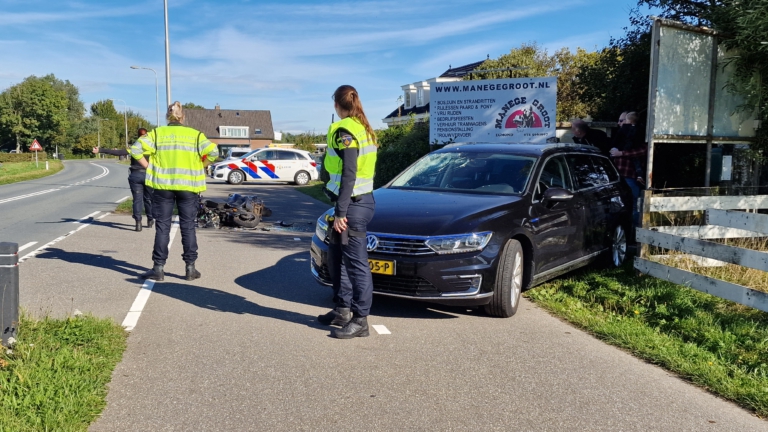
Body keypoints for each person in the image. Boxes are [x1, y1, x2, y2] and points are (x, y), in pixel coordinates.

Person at [131, 102, 219, 282]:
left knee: (162, 226)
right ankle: (190, 269)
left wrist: (148, 167)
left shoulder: (157, 134)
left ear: (167, 116)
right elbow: (214, 152)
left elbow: (135, 149)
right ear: (183, 117)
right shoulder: (195, 135)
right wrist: (201, 165)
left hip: (163, 187)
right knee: (188, 226)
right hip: (188, 187)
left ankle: (158, 268)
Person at [317, 85, 378, 339]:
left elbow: (349, 173)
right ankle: (342, 309)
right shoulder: (361, 126)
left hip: (353, 205)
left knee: (356, 264)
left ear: (336, 105)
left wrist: (341, 213)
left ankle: (361, 320)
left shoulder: (347, 130)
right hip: (350, 203)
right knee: (336, 258)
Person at [94, 128, 154, 232]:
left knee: (137, 199)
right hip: (149, 175)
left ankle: (138, 223)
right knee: (148, 199)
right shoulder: (152, 148)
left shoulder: (135, 147)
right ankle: (150, 219)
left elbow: (118, 152)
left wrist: (100, 150)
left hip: (135, 175)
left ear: (138, 136)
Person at [609, 111, 647, 227]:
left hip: (630, 176)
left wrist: (622, 153)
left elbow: (643, 150)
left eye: (622, 121)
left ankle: (635, 232)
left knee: (634, 205)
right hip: (617, 177)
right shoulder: (621, 135)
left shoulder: (636, 134)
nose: (620, 123)